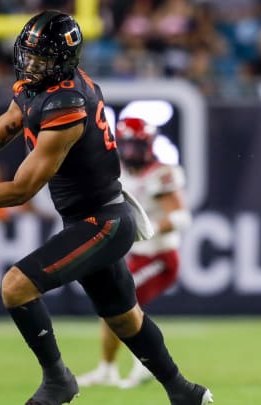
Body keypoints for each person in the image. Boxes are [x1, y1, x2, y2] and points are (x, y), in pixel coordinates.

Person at [0, 11, 213, 405]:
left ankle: (57, 380)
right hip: (93, 218)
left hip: (103, 222)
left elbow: (22, 189)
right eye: (28, 55)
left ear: (63, 59)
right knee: (124, 319)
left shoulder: (67, 103)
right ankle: (185, 392)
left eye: (41, 58)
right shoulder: (37, 89)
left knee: (16, 286)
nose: (30, 64)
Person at [76, 116, 192, 389]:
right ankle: (108, 368)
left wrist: (143, 230)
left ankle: (145, 362)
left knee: (121, 306)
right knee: (113, 308)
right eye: (126, 145)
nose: (131, 152)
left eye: (136, 146)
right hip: (137, 256)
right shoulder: (117, 171)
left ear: (149, 145)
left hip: (160, 257)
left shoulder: (161, 173)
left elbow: (181, 217)